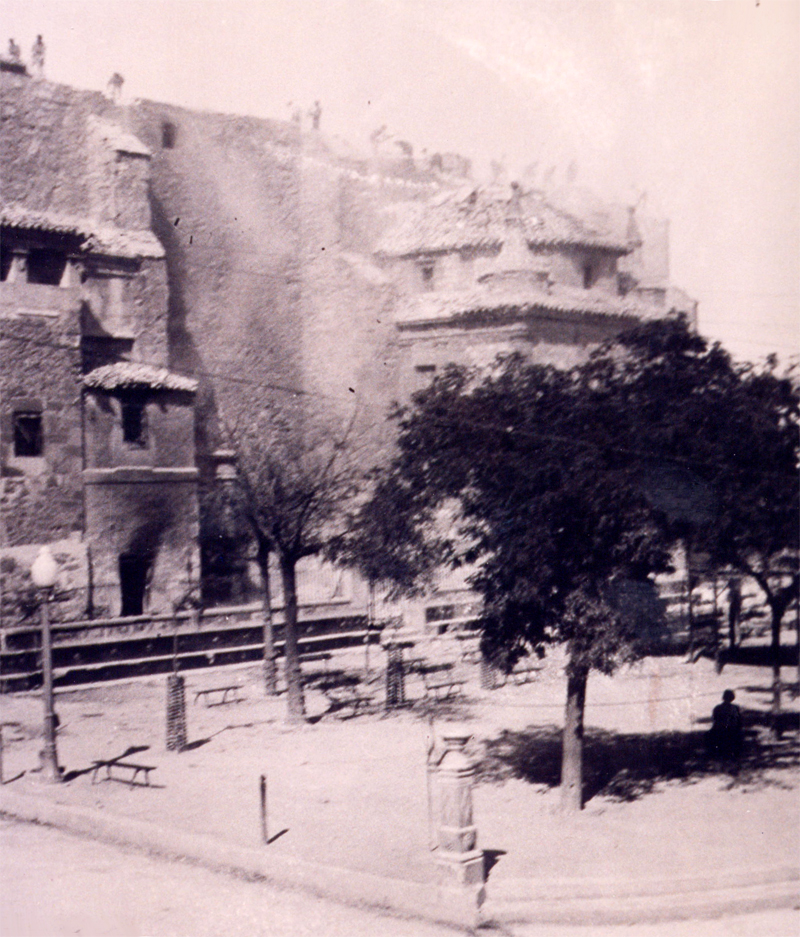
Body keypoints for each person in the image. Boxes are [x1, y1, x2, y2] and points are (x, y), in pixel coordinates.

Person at [707, 689, 743, 761]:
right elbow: (739, 720)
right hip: (731, 730)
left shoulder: (717, 708)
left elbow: (715, 719)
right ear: (733, 698)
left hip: (720, 730)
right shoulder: (735, 708)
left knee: (710, 735)